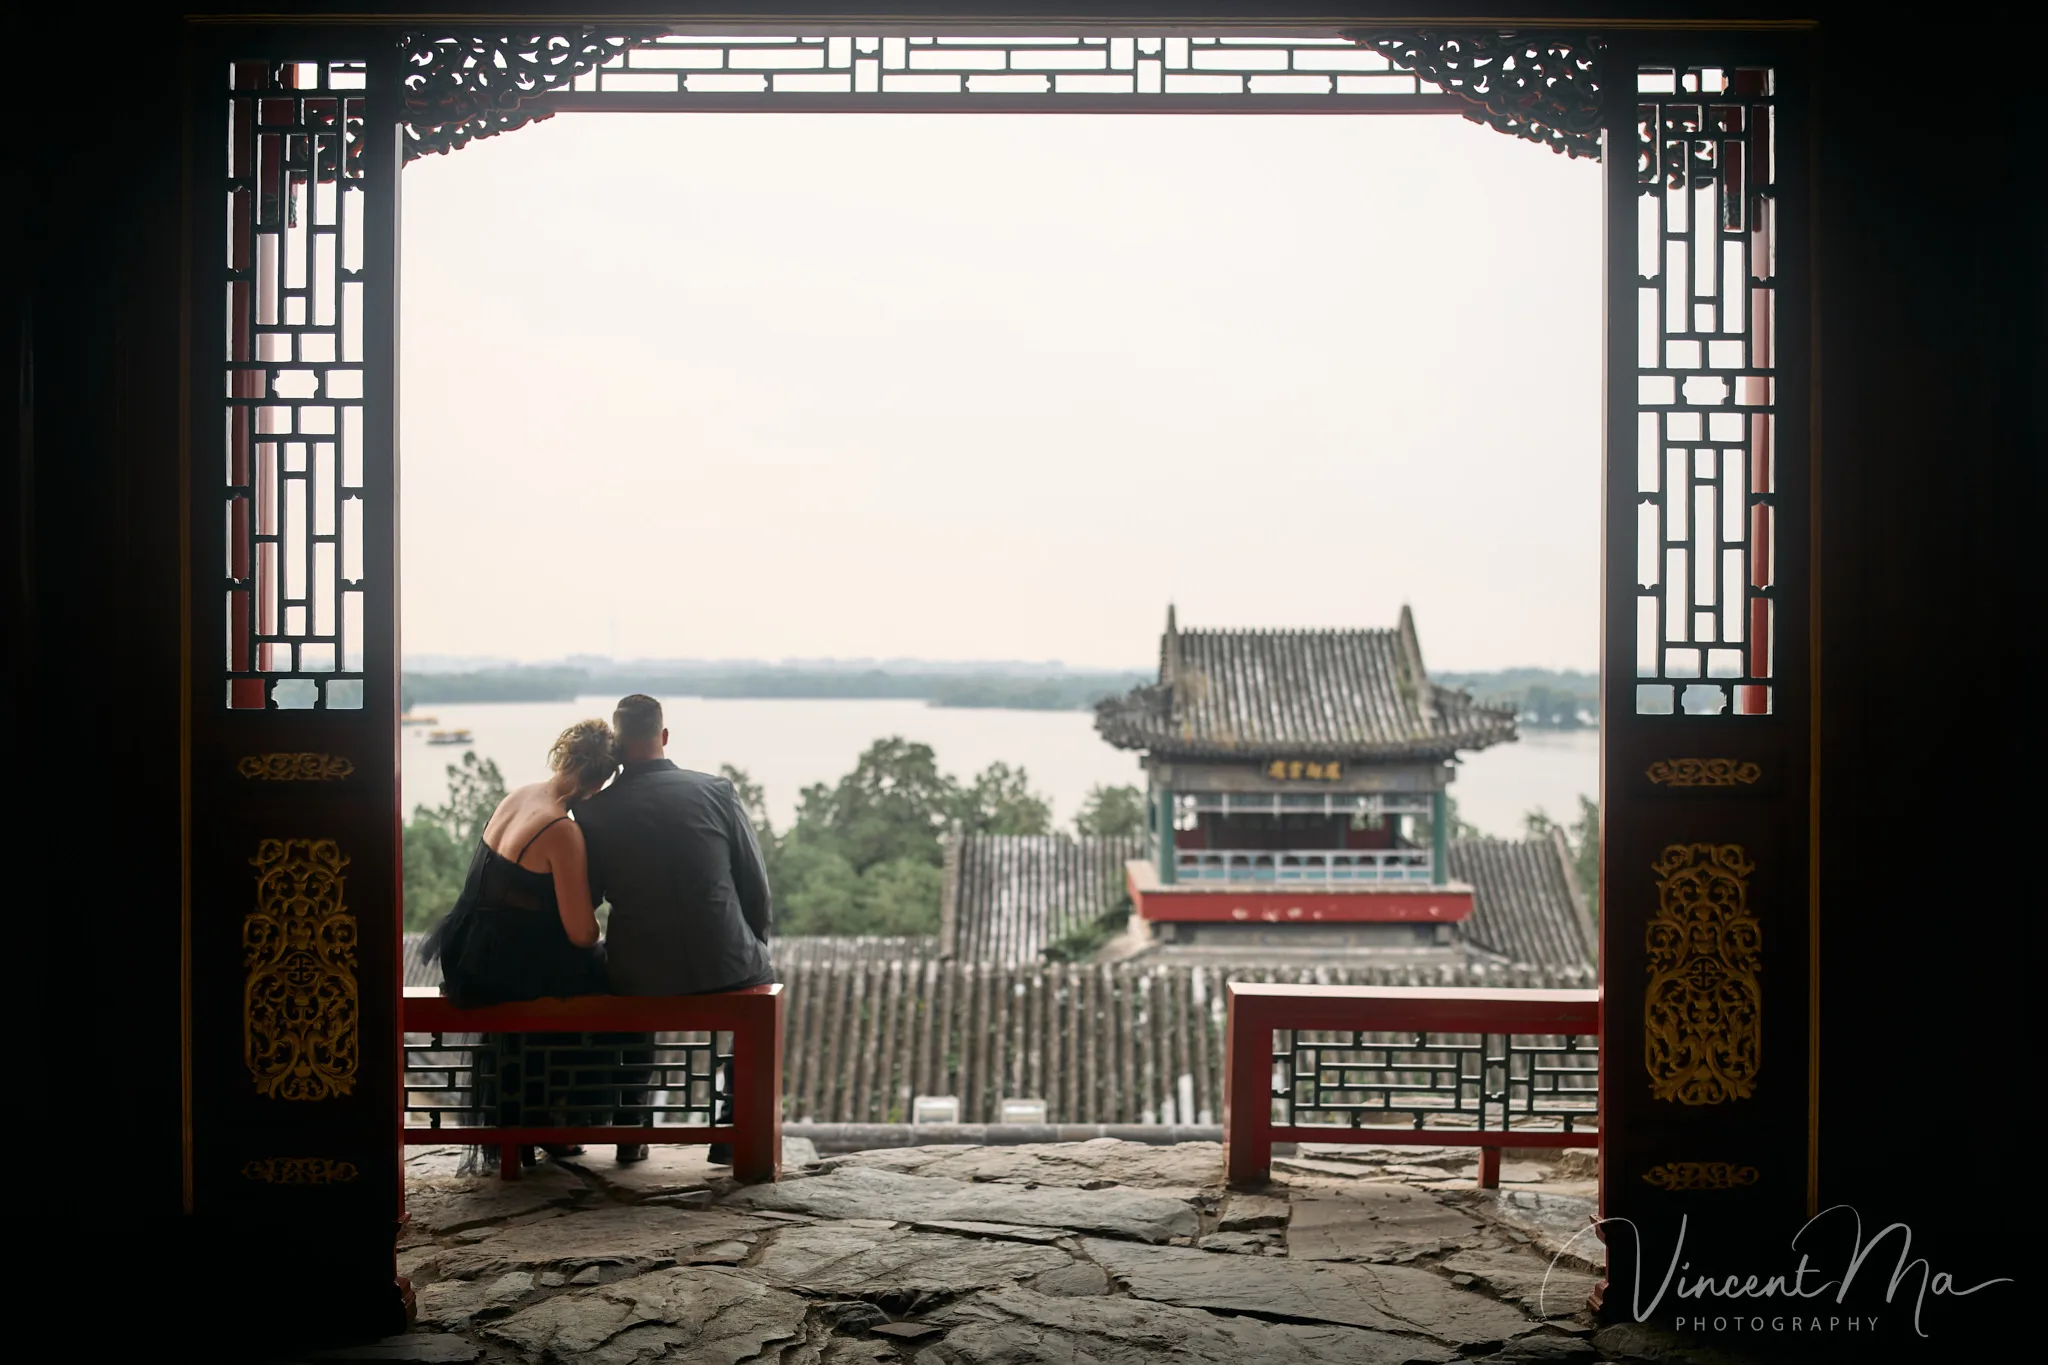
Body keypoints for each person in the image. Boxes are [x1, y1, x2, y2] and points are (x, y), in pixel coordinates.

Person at [573, 694, 776, 1165]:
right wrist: (752, 947)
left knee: (621, 994)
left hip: (638, 973)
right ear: (664, 736)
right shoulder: (716, 790)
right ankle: (727, 1132)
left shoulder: (594, 811)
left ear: (617, 747)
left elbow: (589, 898)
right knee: (756, 981)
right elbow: (755, 887)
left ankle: (630, 1131)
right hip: (726, 961)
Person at [421, 719, 618, 1169]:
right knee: (610, 985)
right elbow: (580, 932)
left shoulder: (519, 795)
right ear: (600, 782)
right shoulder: (561, 830)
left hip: (470, 951)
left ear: (563, 755)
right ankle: (569, 1122)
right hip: (508, 966)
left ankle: (537, 1121)